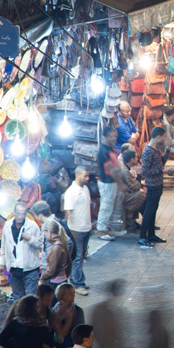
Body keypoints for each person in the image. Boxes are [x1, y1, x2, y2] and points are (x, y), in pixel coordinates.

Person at [2, 202, 43, 298]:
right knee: (17, 296)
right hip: (14, 268)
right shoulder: (7, 225)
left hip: (30, 269)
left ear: (26, 214)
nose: (20, 216)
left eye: (23, 214)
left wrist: (30, 239)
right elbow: (4, 245)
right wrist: (2, 263)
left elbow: (40, 244)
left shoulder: (33, 226)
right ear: (14, 213)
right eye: (18, 213)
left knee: (31, 298)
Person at [62, 167, 92, 296]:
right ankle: (77, 284)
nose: (87, 179)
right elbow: (68, 212)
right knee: (78, 257)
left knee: (81, 256)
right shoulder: (71, 192)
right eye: (85, 176)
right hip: (76, 230)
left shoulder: (85, 189)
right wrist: (67, 230)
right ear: (78, 175)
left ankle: (78, 280)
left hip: (86, 228)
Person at [139, 126, 169, 247]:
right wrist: (163, 171)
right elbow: (144, 171)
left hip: (158, 185)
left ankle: (151, 234)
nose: (164, 139)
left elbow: (160, 163)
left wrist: (167, 151)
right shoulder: (148, 151)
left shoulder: (155, 149)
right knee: (148, 212)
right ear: (158, 136)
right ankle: (142, 236)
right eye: (164, 137)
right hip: (151, 186)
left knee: (153, 211)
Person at [96, 127, 121, 240]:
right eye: (111, 136)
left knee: (109, 206)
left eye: (115, 136)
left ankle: (104, 227)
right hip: (107, 182)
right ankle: (101, 230)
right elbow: (110, 169)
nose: (114, 138)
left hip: (112, 182)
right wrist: (121, 182)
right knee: (105, 206)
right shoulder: (104, 151)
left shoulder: (110, 149)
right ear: (104, 137)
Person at [40, 219, 72, 295]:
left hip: (55, 282)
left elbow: (51, 269)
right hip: (60, 279)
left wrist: (43, 277)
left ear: (48, 231)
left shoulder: (56, 247)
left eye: (45, 232)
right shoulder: (60, 243)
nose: (45, 235)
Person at [118, 150, 146, 231]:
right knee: (141, 195)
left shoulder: (127, 170)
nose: (137, 159)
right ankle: (132, 220)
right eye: (136, 157)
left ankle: (135, 220)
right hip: (124, 197)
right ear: (131, 159)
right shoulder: (125, 172)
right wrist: (139, 176)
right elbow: (134, 187)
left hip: (127, 193)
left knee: (143, 193)